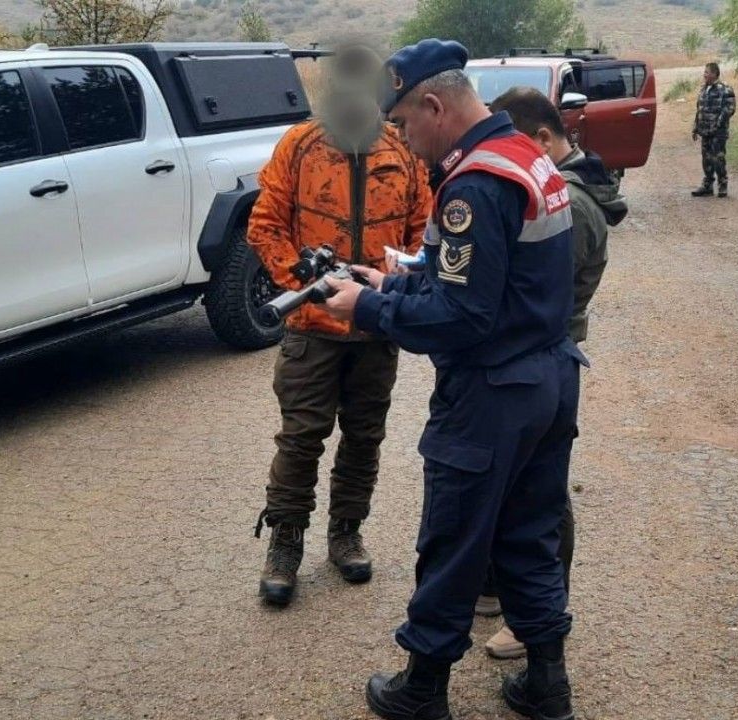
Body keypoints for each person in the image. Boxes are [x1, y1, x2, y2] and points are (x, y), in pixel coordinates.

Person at [320, 38, 587, 720]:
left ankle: (423, 688)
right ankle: (547, 683)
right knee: (529, 533)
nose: (404, 142)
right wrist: (394, 282)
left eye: (404, 123)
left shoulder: (472, 184)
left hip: (491, 394)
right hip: (549, 375)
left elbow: (464, 317)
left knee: (454, 538)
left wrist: (367, 308)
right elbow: (493, 282)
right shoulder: (525, 153)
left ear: (435, 107)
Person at [247, 41, 433, 607]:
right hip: (312, 327)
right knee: (301, 437)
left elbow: (422, 230)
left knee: (365, 435)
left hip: (376, 326)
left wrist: (392, 286)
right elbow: (265, 224)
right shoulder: (300, 145)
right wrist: (302, 283)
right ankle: (285, 541)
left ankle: (346, 532)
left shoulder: (402, 151)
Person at [475, 86, 627, 660]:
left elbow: (539, 296)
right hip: (528, 355)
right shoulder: (553, 185)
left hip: (544, 357)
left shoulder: (572, 203)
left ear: (541, 138)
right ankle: (498, 583)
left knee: (542, 492)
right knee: (508, 477)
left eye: (510, 143)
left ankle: (538, 615)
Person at [691, 61, 737, 198]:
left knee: (718, 159)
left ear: (714, 73)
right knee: (706, 160)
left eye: (707, 72)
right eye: (704, 72)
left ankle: (722, 185)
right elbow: (699, 109)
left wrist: (718, 124)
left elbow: (730, 109)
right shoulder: (703, 89)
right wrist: (695, 128)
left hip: (718, 132)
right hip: (705, 131)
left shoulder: (725, 89)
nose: (704, 75)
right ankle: (707, 186)